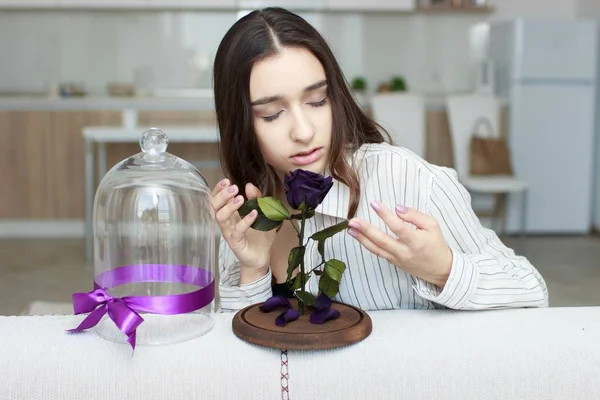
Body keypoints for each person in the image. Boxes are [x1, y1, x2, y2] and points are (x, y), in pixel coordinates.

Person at [210, 7, 548, 312]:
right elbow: (242, 360)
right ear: (241, 122)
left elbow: (532, 292)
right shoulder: (245, 211)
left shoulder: (408, 180)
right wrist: (253, 269)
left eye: (317, 101)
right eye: (272, 114)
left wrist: (444, 269)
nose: (303, 131)